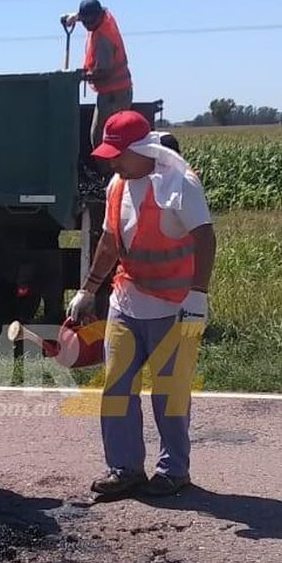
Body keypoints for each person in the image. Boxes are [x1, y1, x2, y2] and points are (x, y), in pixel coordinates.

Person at [69, 111, 217, 498]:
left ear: (143, 149)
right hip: (126, 301)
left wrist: (198, 294)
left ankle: (173, 471)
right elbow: (109, 241)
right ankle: (125, 469)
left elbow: (205, 239)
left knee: (170, 392)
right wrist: (88, 289)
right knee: (117, 389)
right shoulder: (118, 184)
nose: (113, 162)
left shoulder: (180, 185)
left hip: (173, 308)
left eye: (118, 155)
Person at [59, 0, 133, 147]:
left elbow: (104, 72)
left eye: (90, 22)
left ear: (98, 17)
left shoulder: (103, 39)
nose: (87, 25)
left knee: (101, 138)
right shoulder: (105, 17)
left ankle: (107, 170)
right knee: (106, 137)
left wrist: (79, 76)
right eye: (84, 22)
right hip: (116, 90)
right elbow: (88, 15)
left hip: (114, 94)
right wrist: (74, 17)